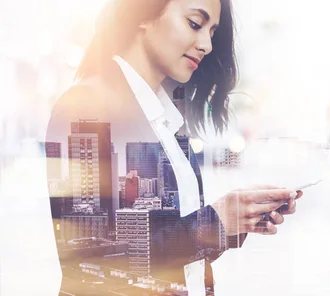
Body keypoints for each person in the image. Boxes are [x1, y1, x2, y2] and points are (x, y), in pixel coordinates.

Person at [45, 0, 303, 294]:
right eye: (195, 23)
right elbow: (90, 261)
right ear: (143, 13)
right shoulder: (85, 106)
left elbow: (169, 248)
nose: (206, 44)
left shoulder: (169, 121)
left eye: (212, 32)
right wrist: (214, 223)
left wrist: (235, 220)